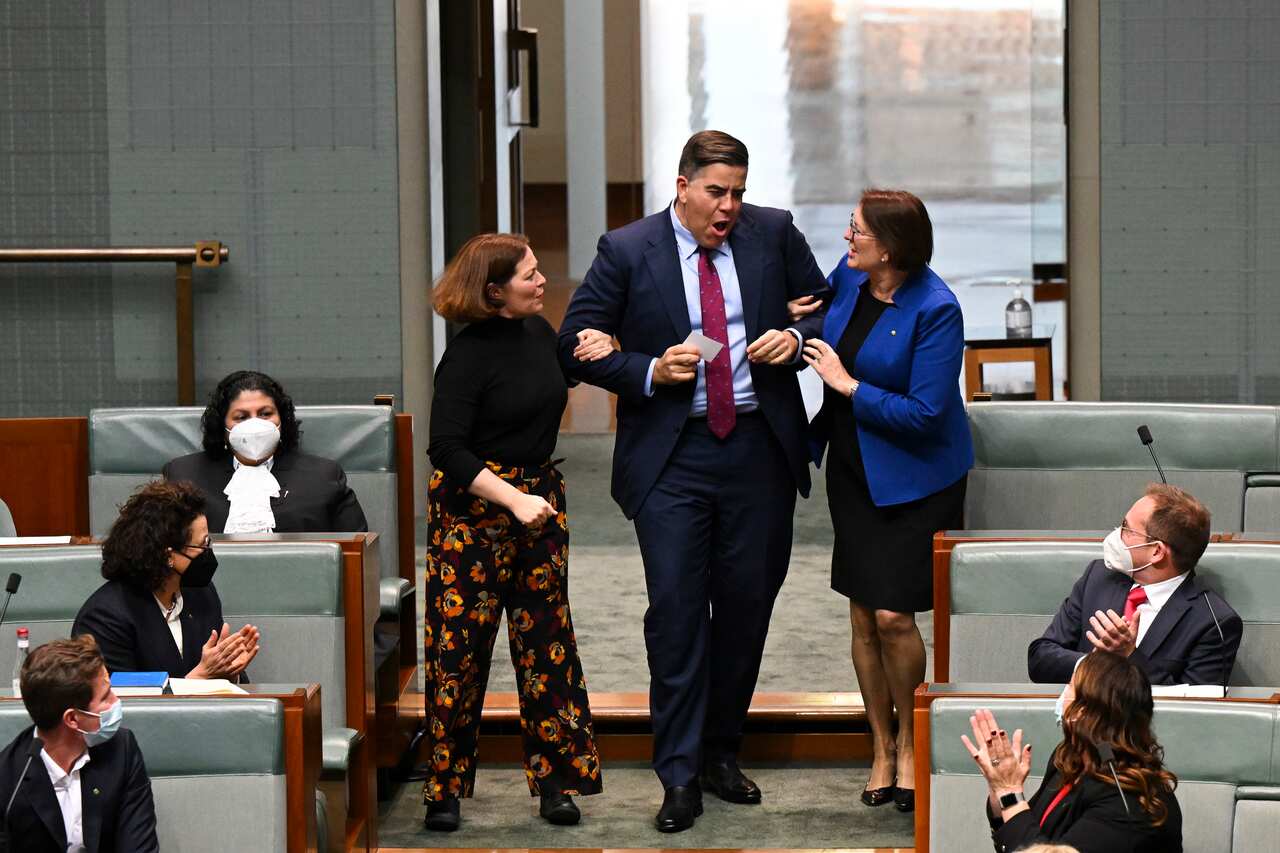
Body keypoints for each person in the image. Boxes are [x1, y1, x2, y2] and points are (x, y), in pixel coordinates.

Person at [557, 129, 829, 832]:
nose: (730, 206)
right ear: (682, 187)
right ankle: (677, 775)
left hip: (757, 449)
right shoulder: (626, 250)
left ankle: (721, 753)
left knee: (744, 611)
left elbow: (826, 302)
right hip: (673, 457)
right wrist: (647, 369)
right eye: (716, 192)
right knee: (677, 613)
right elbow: (575, 339)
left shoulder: (773, 233)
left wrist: (797, 341)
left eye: (738, 191)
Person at [424, 233, 612, 832]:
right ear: (493, 292)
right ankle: (444, 790)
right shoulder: (466, 355)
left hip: (539, 507)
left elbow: (550, 381)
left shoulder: (535, 331)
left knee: (547, 646)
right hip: (473, 514)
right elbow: (445, 448)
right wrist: (511, 499)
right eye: (530, 275)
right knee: (460, 652)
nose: (542, 282)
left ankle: (556, 783)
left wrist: (594, 348)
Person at [796, 189, 973, 813]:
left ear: (890, 248)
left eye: (857, 233)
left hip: (916, 479)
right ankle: (881, 743)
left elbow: (927, 414)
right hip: (855, 468)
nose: (847, 241)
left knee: (897, 617)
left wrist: (848, 385)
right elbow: (817, 312)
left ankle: (911, 744)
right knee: (862, 614)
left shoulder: (937, 308)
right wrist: (800, 321)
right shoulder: (850, 278)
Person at [961, 651, 1182, 852]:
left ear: (1083, 712)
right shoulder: (1069, 758)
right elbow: (1026, 830)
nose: (1062, 694)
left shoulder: (1131, 804)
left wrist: (1008, 791)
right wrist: (999, 790)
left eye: (1069, 685)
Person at [1028, 483, 1242, 687]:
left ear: (1156, 551)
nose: (1116, 534)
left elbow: (1194, 710)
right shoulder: (1098, 578)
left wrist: (1129, 655)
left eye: (1126, 528)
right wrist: (1094, 665)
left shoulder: (1214, 623)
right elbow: (1040, 658)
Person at [73, 481, 260, 680]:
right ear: (168, 555)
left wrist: (231, 672)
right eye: (202, 544)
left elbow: (220, 671)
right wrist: (199, 678)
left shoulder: (201, 593)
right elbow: (120, 701)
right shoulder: (105, 618)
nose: (208, 551)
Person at [0, 635, 159, 852]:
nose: (116, 701)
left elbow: (139, 847)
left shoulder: (122, 750)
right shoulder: (9, 780)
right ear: (73, 719)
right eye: (105, 698)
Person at [163, 369, 368, 534]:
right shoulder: (184, 476)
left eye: (265, 414)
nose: (255, 424)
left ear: (282, 420)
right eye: (241, 417)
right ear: (222, 427)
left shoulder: (324, 477)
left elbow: (357, 551)